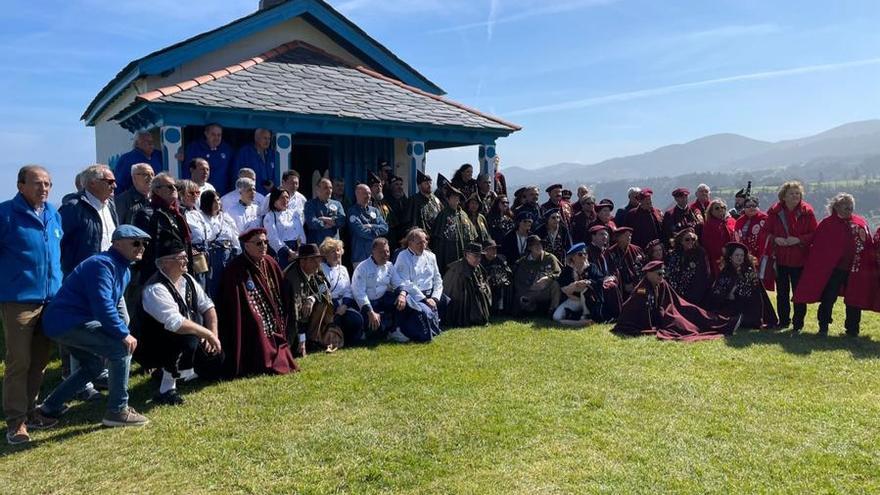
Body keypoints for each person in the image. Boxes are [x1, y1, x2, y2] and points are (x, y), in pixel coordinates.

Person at [37, 225, 152, 427]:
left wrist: (119, 330)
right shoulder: (102, 265)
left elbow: (113, 303)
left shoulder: (122, 268)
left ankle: (49, 408)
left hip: (67, 322)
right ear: (117, 244)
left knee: (93, 365)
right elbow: (102, 304)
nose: (141, 247)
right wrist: (122, 334)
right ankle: (117, 411)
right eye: (135, 242)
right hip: (67, 322)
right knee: (120, 349)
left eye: (144, 243)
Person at [1, 165, 63, 444]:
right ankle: (15, 422)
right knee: (19, 361)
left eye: (48, 184)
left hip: (50, 300)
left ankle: (31, 412)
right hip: (19, 301)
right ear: (20, 185)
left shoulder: (53, 214)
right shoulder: (5, 215)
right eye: (38, 183)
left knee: (39, 361)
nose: (44, 189)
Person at [137, 238, 222, 405]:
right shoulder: (155, 288)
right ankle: (166, 389)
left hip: (190, 336)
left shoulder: (188, 279)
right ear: (165, 263)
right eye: (181, 258)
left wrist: (213, 334)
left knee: (216, 363)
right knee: (187, 337)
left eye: (185, 257)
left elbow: (208, 307)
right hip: (155, 343)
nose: (187, 261)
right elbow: (175, 323)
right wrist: (206, 333)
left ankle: (183, 371)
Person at [218, 228, 299, 377]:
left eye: (266, 242)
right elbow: (235, 302)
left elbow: (282, 289)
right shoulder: (235, 268)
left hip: (274, 311)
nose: (264, 246)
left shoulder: (270, 262)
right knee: (257, 322)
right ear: (246, 246)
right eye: (259, 243)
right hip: (249, 312)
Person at [794, 194, 877, 336]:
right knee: (829, 297)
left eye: (851, 205)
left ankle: (852, 329)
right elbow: (818, 246)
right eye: (845, 205)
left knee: (853, 299)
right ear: (836, 206)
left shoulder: (859, 222)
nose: (849, 208)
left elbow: (868, 245)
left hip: (855, 269)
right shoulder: (827, 224)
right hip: (833, 269)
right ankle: (823, 326)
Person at [612, 261, 740, 341]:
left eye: (663, 273)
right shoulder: (642, 290)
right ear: (648, 274)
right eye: (659, 274)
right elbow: (640, 312)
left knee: (693, 311)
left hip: (670, 309)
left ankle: (726, 323)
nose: (662, 277)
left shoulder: (661, 283)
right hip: (661, 317)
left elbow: (673, 299)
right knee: (682, 324)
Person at [764, 181, 817, 332]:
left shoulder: (807, 212)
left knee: (799, 293)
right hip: (780, 259)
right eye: (792, 193)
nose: (795, 196)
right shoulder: (774, 212)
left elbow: (814, 233)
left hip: (800, 260)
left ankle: (798, 323)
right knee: (782, 292)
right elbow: (765, 231)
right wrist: (775, 239)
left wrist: (799, 240)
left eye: (797, 193)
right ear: (783, 197)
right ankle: (783, 321)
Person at [59, 164, 119, 276]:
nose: (115, 186)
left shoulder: (110, 205)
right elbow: (59, 243)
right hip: (82, 275)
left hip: (110, 271)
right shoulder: (73, 207)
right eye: (110, 182)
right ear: (93, 183)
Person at [136, 173, 192, 284]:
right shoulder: (146, 213)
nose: (174, 189)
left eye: (176, 186)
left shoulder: (179, 212)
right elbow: (146, 249)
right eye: (170, 186)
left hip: (181, 269)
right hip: (159, 273)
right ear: (156, 190)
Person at [393, 228, 448, 342]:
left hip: (430, 294)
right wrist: (424, 299)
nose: (422, 245)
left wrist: (434, 297)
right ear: (410, 243)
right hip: (414, 295)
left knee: (447, 301)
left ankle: (434, 326)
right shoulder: (403, 256)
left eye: (424, 242)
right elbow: (406, 283)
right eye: (419, 243)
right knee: (426, 313)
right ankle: (402, 330)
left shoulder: (431, 256)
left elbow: (437, 279)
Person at [707, 242, 778, 329]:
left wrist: (735, 294)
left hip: (746, 309)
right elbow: (717, 292)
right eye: (737, 255)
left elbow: (753, 296)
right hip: (728, 306)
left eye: (741, 255)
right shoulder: (725, 272)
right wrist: (727, 295)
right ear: (730, 257)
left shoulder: (749, 272)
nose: (740, 258)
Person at [187, 190, 241, 299]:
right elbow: (200, 235)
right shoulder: (197, 216)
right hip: (209, 255)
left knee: (227, 287)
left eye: (218, 200)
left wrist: (238, 252)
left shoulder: (226, 218)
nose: (218, 203)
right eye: (214, 200)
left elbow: (235, 236)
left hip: (227, 254)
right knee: (210, 288)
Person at [351, 238, 408, 339]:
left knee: (403, 300)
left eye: (387, 251)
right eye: (381, 252)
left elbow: (399, 283)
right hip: (367, 304)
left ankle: (395, 329)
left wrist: (402, 295)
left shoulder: (390, 266)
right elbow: (359, 293)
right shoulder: (362, 268)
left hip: (383, 300)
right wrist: (370, 312)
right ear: (373, 252)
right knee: (374, 332)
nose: (385, 254)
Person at [319, 238, 365, 343]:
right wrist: (335, 307)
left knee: (356, 319)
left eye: (338, 250)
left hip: (344, 305)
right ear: (325, 254)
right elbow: (322, 290)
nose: (336, 253)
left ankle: (349, 340)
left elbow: (348, 290)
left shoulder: (343, 269)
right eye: (333, 251)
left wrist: (344, 305)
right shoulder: (320, 268)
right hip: (328, 306)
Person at [553, 243, 604, 327]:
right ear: (573, 257)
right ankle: (581, 322)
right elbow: (562, 286)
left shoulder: (591, 267)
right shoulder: (568, 270)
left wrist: (588, 282)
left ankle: (585, 316)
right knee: (556, 317)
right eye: (580, 254)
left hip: (589, 300)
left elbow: (600, 280)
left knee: (584, 289)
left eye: (585, 254)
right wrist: (573, 286)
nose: (584, 256)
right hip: (574, 299)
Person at [442, 243, 492, 327]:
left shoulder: (478, 267)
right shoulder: (457, 270)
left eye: (480, 256)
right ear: (466, 255)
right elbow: (453, 293)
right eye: (475, 256)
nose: (478, 259)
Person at [431, 184, 477, 273]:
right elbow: (438, 242)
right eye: (453, 197)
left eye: (457, 197)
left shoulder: (464, 215)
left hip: (464, 255)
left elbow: (472, 235)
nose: (456, 199)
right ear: (448, 199)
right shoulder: (443, 215)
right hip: (449, 256)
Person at [512, 235, 562, 316]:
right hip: (529, 291)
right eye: (535, 245)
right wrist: (528, 290)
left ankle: (553, 310)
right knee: (523, 302)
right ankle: (532, 309)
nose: (539, 246)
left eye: (540, 244)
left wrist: (548, 277)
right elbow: (518, 281)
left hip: (545, 291)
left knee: (555, 285)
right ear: (529, 248)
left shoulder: (550, 258)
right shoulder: (522, 262)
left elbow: (558, 272)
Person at [733, 194, 772, 289]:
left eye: (754, 206)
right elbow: (736, 237)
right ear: (744, 208)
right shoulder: (740, 221)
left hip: (762, 255)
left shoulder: (765, 219)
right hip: (744, 256)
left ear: (758, 207)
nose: (751, 208)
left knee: (760, 282)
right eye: (748, 206)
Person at [183, 124, 233, 194]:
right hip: (198, 192)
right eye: (213, 134)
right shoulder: (194, 148)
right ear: (206, 134)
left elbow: (232, 172)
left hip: (222, 194)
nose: (216, 138)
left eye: (219, 135)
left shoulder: (227, 150)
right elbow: (187, 169)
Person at [665, 228, 711, 304]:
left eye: (693, 239)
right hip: (678, 292)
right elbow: (671, 274)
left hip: (696, 292)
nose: (691, 241)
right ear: (681, 241)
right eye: (687, 239)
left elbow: (705, 274)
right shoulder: (674, 254)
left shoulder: (700, 253)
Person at [264, 188, 306, 268]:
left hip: (297, 250)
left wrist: (299, 250)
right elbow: (272, 238)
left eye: (287, 197)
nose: (285, 200)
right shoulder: (270, 216)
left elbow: (301, 233)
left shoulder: (294, 214)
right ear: (274, 200)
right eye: (282, 198)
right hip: (281, 251)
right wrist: (289, 252)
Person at [349, 183, 389, 267]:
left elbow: (385, 227)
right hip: (360, 256)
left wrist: (372, 226)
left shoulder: (375, 211)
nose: (368, 196)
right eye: (365, 193)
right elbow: (360, 231)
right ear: (357, 194)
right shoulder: (352, 211)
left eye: (369, 193)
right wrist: (377, 233)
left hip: (377, 255)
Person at [603, 227, 645, 300]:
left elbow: (645, 267)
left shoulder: (637, 249)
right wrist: (624, 285)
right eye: (626, 236)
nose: (629, 238)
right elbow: (611, 272)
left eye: (630, 236)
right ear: (618, 238)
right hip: (622, 289)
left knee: (644, 292)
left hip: (637, 287)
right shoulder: (610, 253)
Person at [303, 178, 346, 245]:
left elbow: (342, 220)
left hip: (334, 244)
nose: (329, 190)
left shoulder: (337, 204)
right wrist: (331, 223)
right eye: (326, 188)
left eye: (331, 188)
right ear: (318, 189)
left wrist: (325, 219)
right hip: (318, 244)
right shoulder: (310, 204)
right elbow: (311, 222)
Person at [234, 129, 275, 193]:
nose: (267, 141)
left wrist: (272, 186)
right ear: (256, 138)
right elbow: (236, 173)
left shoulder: (272, 154)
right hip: (249, 194)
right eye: (265, 138)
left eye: (269, 139)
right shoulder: (244, 152)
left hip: (267, 196)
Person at [702, 199, 735, 279]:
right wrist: (722, 251)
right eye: (717, 208)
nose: (720, 210)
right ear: (711, 211)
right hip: (718, 259)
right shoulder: (709, 225)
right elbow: (707, 243)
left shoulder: (731, 221)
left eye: (723, 207)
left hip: (734, 256)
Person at [481, 239, 513, 314]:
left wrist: (502, 277)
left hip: (498, 283)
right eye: (491, 249)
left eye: (495, 248)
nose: (494, 250)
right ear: (485, 251)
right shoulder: (480, 261)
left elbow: (508, 272)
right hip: (484, 283)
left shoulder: (500, 259)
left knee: (505, 285)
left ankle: (500, 310)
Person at [384, 175, 410, 246]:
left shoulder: (404, 199)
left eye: (401, 184)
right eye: (396, 184)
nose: (400, 187)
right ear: (390, 186)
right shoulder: (385, 200)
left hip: (402, 235)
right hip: (390, 236)